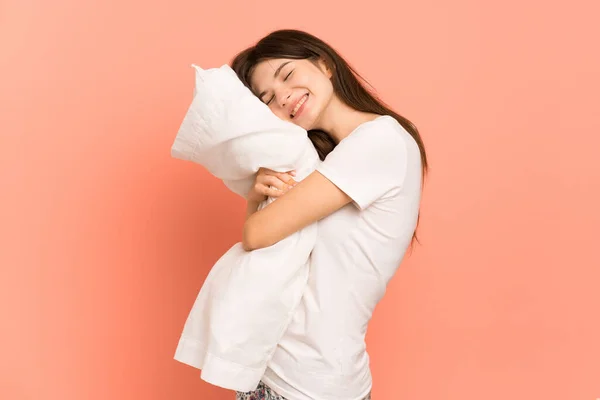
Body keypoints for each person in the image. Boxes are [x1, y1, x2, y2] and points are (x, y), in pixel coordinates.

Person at [230, 29, 428, 400]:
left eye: (287, 75)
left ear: (324, 64)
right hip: (276, 373)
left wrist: (254, 201)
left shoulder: (378, 141)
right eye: (268, 98)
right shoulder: (321, 161)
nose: (284, 96)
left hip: (308, 384)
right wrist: (258, 193)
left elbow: (255, 236)